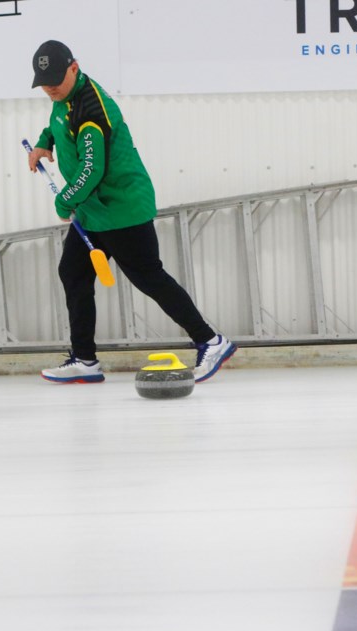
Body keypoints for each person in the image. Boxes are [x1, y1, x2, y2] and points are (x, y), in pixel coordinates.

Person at [26, 40, 236, 384]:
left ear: (74, 68)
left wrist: (65, 201)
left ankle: (211, 341)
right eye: (44, 83)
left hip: (122, 209)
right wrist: (43, 142)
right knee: (73, 272)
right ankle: (85, 360)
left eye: (54, 81)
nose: (49, 89)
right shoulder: (66, 97)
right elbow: (58, 123)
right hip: (95, 211)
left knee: (149, 277)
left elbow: (91, 169)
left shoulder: (92, 109)